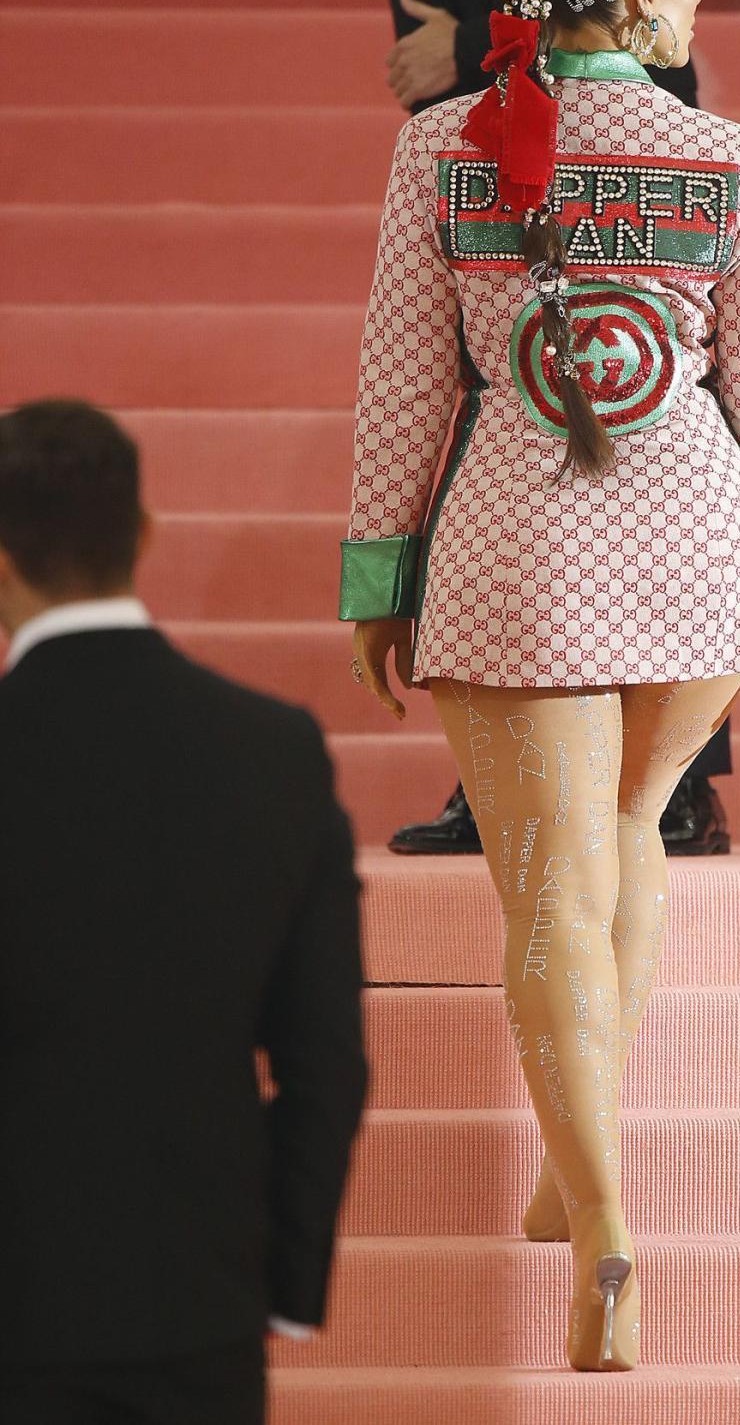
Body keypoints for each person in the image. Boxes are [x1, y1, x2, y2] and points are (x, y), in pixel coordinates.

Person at [340, 0, 740, 1371]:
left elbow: (403, 387)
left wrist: (378, 570)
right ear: (634, 0)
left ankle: (608, 1216)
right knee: (627, 835)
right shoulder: (724, 153)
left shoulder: (443, 149)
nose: (699, 3)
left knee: (547, 888)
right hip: (698, 541)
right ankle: (574, 1173)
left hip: (522, 546)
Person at [382, 0, 734, 855]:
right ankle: (501, 764)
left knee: (673, 408)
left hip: (635, 133)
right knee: (499, 413)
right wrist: (430, 36)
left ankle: (674, 773)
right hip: (486, 117)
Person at [0, 401, 367, 1425]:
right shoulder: (272, 752)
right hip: (197, 1293)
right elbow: (326, 1060)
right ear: (144, 535)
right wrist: (286, 1283)